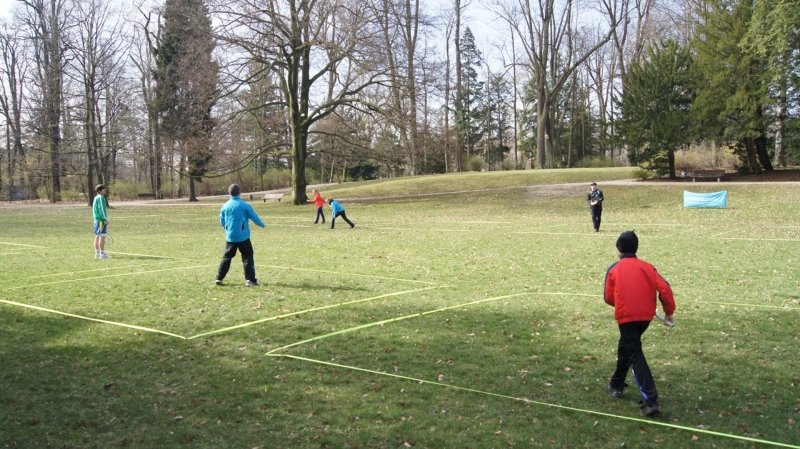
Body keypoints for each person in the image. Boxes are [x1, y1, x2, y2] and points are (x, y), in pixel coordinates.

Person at [604, 231, 676, 416]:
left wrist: (622, 303)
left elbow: (608, 297)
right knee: (627, 345)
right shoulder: (648, 267)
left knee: (634, 352)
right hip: (645, 317)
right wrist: (669, 313)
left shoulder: (614, 268)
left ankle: (650, 400)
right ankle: (616, 384)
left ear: (619, 249)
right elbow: (665, 288)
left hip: (627, 317)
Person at [215, 184, 266, 286]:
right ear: (239, 193)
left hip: (230, 236)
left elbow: (222, 220)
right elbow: (254, 216)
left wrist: (227, 229)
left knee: (227, 257)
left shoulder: (225, 206)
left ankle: (219, 278)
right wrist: (262, 224)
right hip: (243, 237)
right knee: (247, 256)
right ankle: (250, 280)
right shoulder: (244, 205)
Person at [92, 184, 112, 259]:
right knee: (102, 237)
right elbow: (102, 210)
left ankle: (97, 253)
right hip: (100, 220)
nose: (105, 190)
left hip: (96, 220)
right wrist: (104, 220)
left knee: (97, 236)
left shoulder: (96, 197)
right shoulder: (100, 198)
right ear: (99, 190)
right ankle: (102, 254)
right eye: (103, 189)